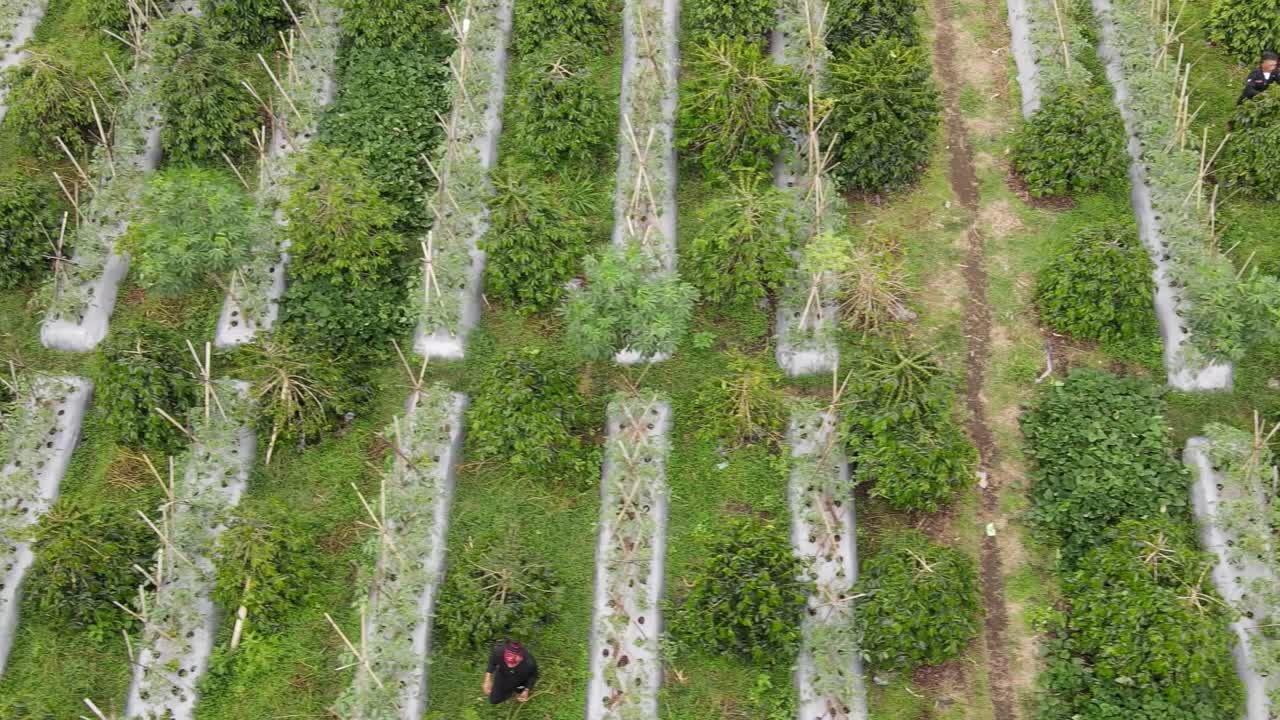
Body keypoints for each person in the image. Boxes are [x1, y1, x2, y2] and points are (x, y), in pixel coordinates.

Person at [482, 640, 538, 705]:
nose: (511, 660)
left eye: (516, 656)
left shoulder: (530, 663)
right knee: (494, 700)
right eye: (509, 655)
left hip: (520, 678)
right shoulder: (498, 651)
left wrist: (526, 690)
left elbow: (533, 676)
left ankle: (518, 690)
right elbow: (492, 662)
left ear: (522, 655)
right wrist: (487, 679)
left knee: (519, 690)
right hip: (503, 674)